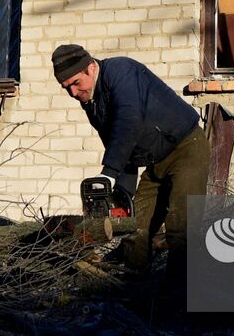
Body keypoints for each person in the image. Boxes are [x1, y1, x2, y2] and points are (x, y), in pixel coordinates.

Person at [53, 43, 207, 271]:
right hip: (156, 163)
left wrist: (108, 172)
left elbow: (128, 120)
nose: (73, 93)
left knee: (180, 228)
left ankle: (180, 298)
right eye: (67, 88)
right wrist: (121, 195)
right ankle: (134, 289)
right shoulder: (92, 104)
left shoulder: (120, 71)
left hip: (187, 148)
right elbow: (122, 149)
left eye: (76, 83)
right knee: (134, 229)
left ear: (91, 67)